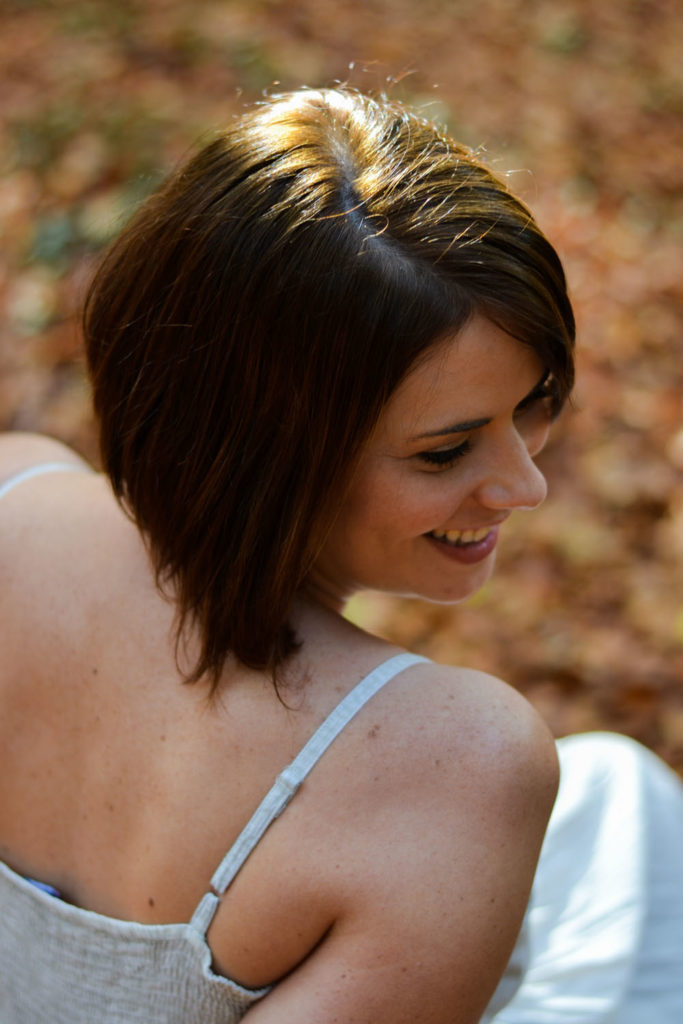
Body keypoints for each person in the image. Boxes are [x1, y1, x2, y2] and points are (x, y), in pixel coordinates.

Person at [0, 88, 680, 1024]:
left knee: (616, 793)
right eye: (445, 451)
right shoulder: (462, 759)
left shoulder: (14, 491)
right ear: (256, 450)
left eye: (535, 403)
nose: (526, 488)